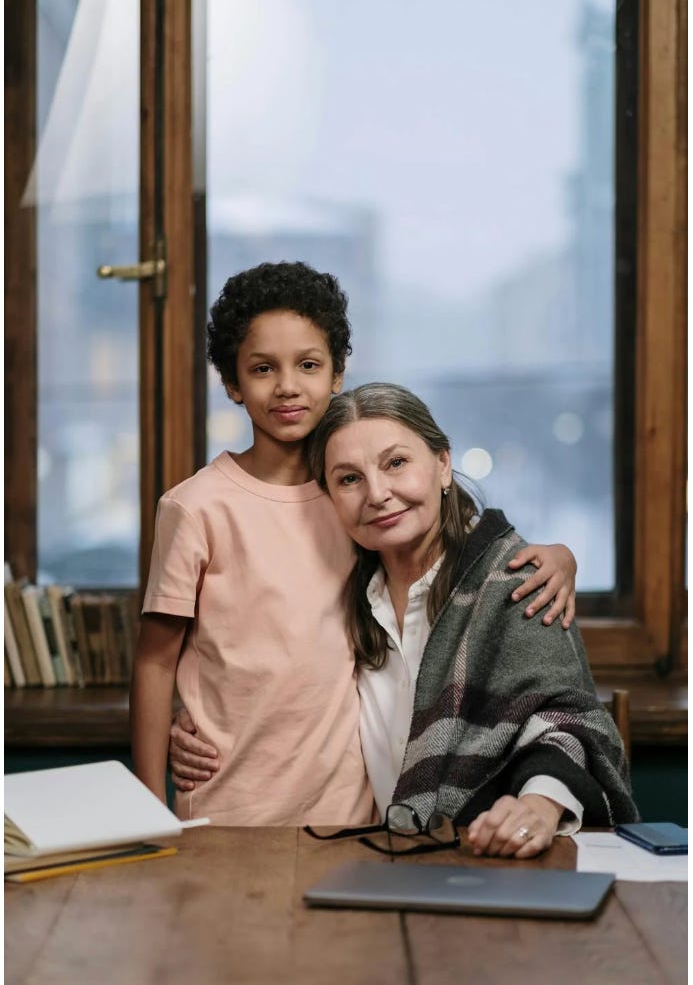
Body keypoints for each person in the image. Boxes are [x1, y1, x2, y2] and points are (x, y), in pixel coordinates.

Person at [132, 262, 578, 828]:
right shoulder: (196, 507)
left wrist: (560, 556)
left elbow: (463, 556)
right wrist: (148, 810)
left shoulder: (354, 499)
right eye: (263, 368)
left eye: (308, 365)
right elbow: (157, 660)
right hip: (228, 808)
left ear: (337, 373)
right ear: (232, 383)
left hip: (350, 817)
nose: (287, 385)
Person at [307, 383, 637, 856]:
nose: (377, 494)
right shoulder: (338, 597)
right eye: (349, 479)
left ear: (443, 464)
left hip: (492, 859)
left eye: (396, 463)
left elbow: (566, 718)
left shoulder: (516, 579)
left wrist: (539, 806)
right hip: (375, 858)